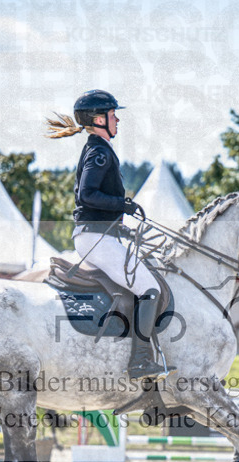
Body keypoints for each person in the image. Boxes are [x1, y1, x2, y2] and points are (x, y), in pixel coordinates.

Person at [47, 89, 164, 380]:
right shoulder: (99, 151)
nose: (118, 120)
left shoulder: (97, 148)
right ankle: (139, 362)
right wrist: (122, 204)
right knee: (150, 289)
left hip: (100, 234)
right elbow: (87, 194)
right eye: (113, 115)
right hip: (94, 238)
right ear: (99, 119)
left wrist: (118, 221)